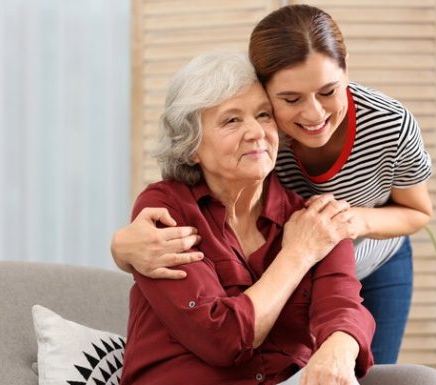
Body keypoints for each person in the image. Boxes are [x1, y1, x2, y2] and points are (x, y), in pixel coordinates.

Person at [112, 4, 434, 364]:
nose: (313, 115)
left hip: (366, 249)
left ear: (347, 72)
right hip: (302, 247)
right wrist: (120, 247)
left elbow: (418, 211)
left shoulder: (387, 124)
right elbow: (191, 176)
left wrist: (348, 223)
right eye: (291, 99)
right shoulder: (262, 133)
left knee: (368, 363)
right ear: (267, 90)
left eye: (328, 91)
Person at [120, 50, 375, 385]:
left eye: (264, 115)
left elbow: (342, 306)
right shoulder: (166, 209)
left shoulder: (316, 218)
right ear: (191, 145)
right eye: (231, 120)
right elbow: (220, 338)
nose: (256, 132)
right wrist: (298, 254)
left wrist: (338, 348)